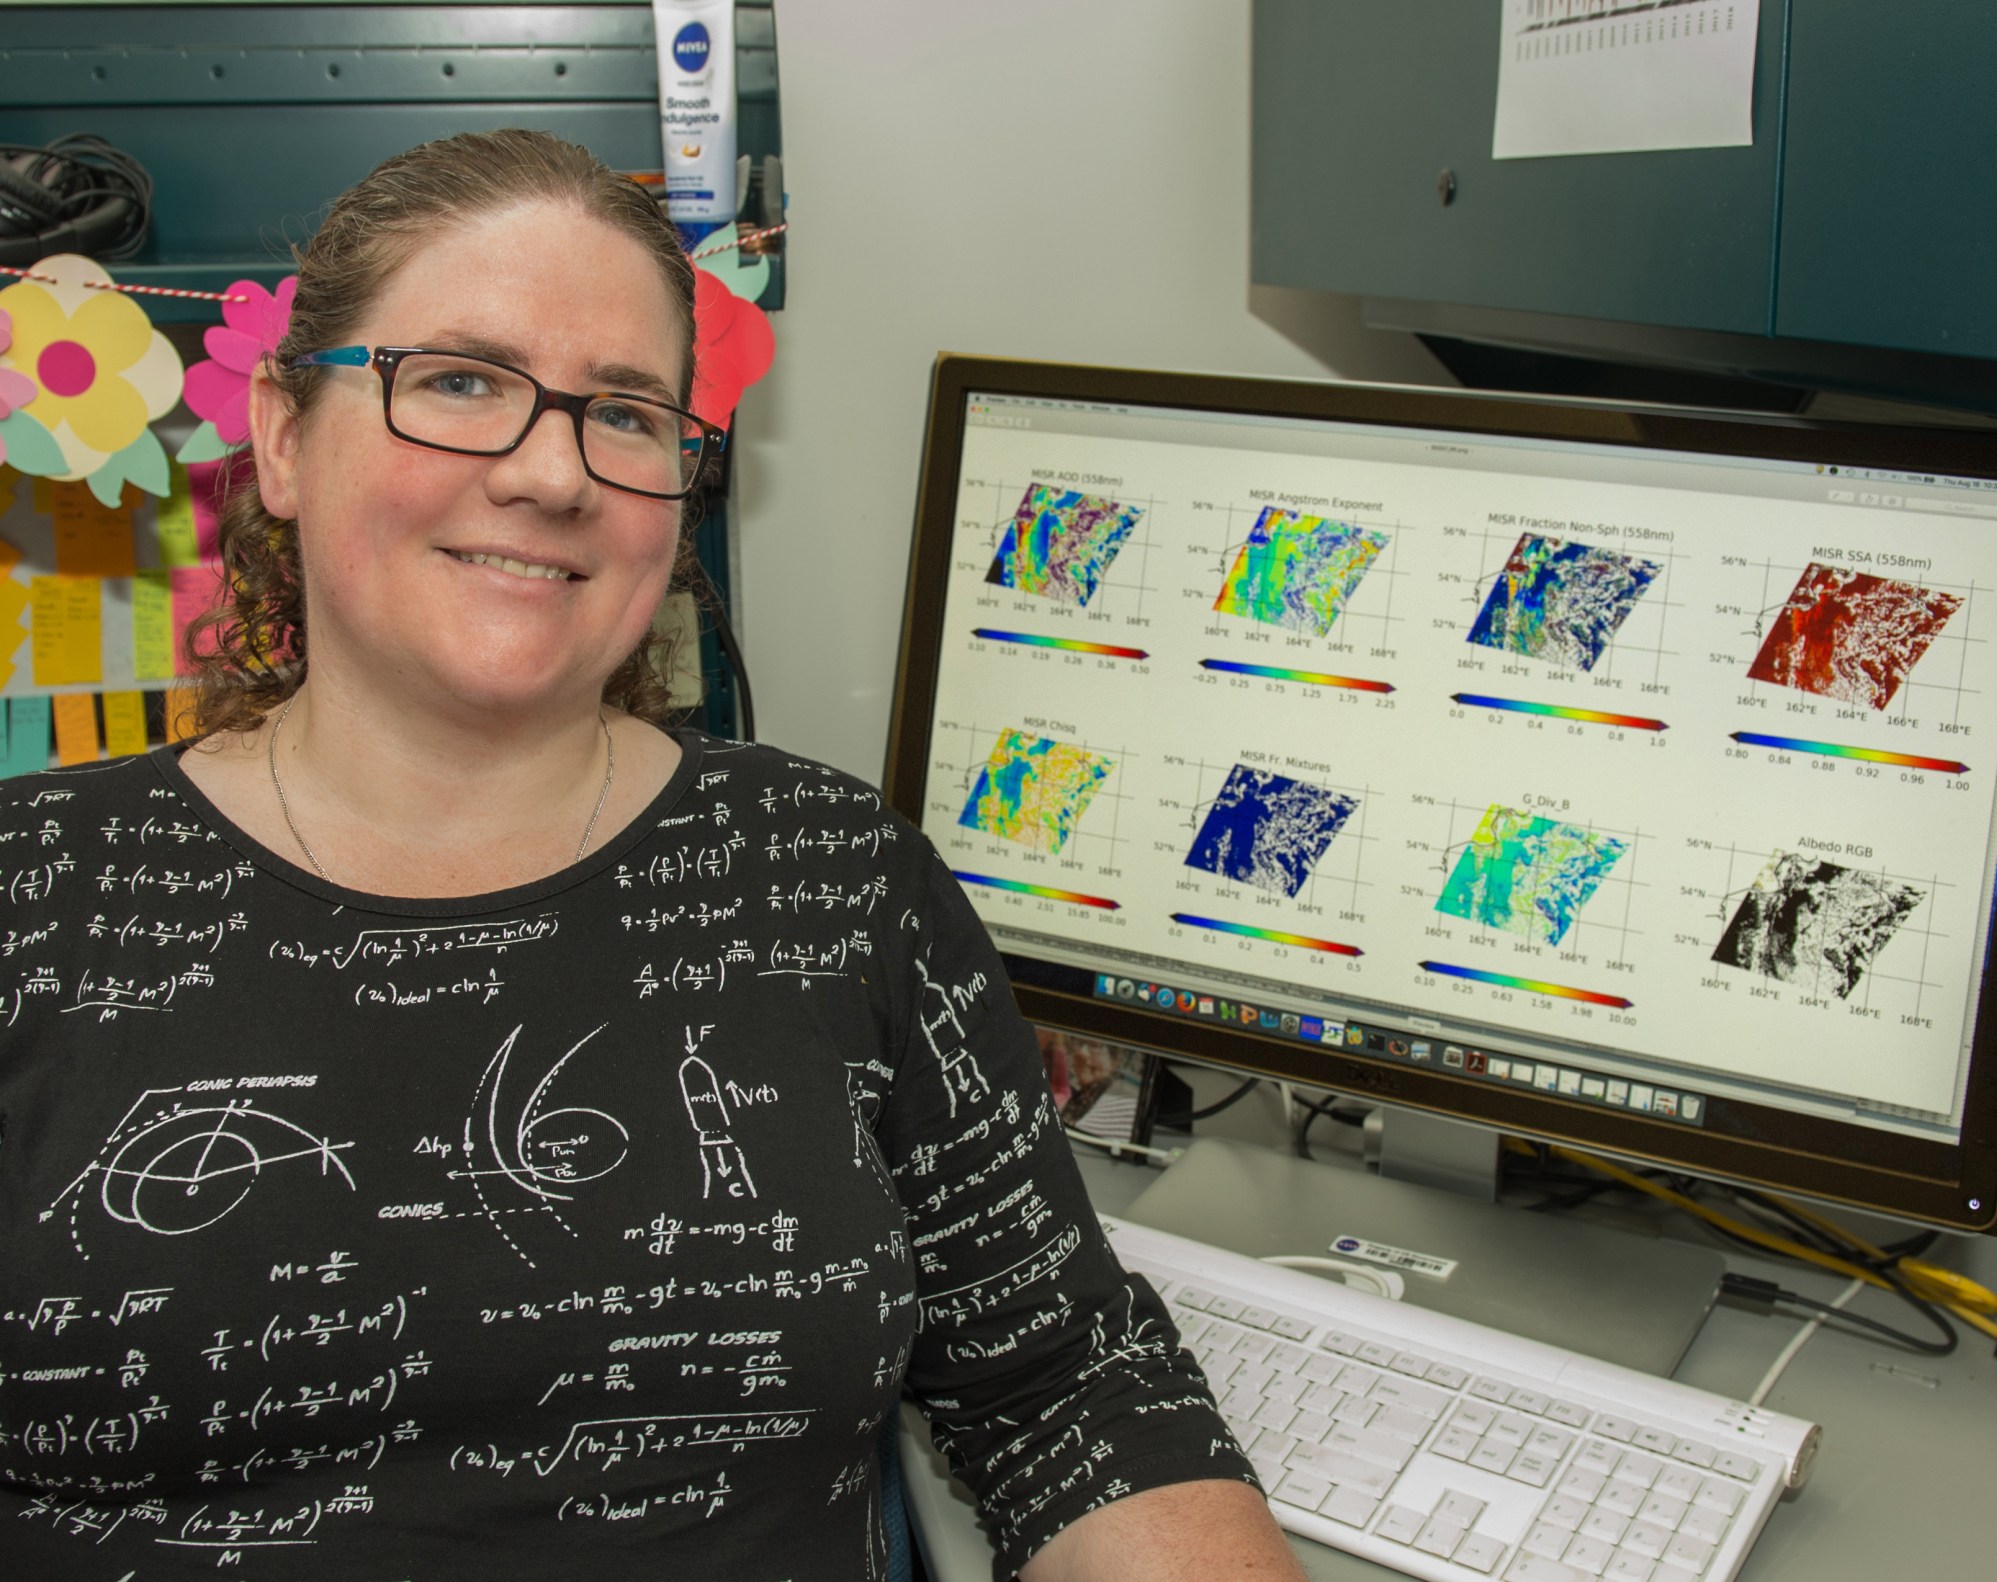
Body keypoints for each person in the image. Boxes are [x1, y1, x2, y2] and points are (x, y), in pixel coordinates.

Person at [0, 130, 1304, 1580]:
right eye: (459, 381)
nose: (553, 471)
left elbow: (1063, 1389)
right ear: (289, 438)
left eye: (623, 412)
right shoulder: (35, 893)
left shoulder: (829, 873)